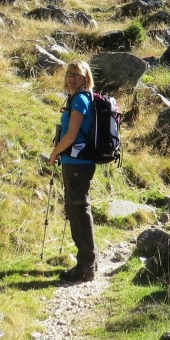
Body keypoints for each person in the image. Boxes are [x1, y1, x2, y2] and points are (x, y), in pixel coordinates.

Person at [48, 60, 97, 282]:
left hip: (77, 163)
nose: (72, 78)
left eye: (77, 75)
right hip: (77, 161)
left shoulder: (80, 100)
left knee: (78, 212)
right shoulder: (77, 98)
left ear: (86, 79)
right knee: (79, 210)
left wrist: (55, 152)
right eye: (69, 74)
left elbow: (71, 135)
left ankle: (85, 267)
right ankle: (90, 262)